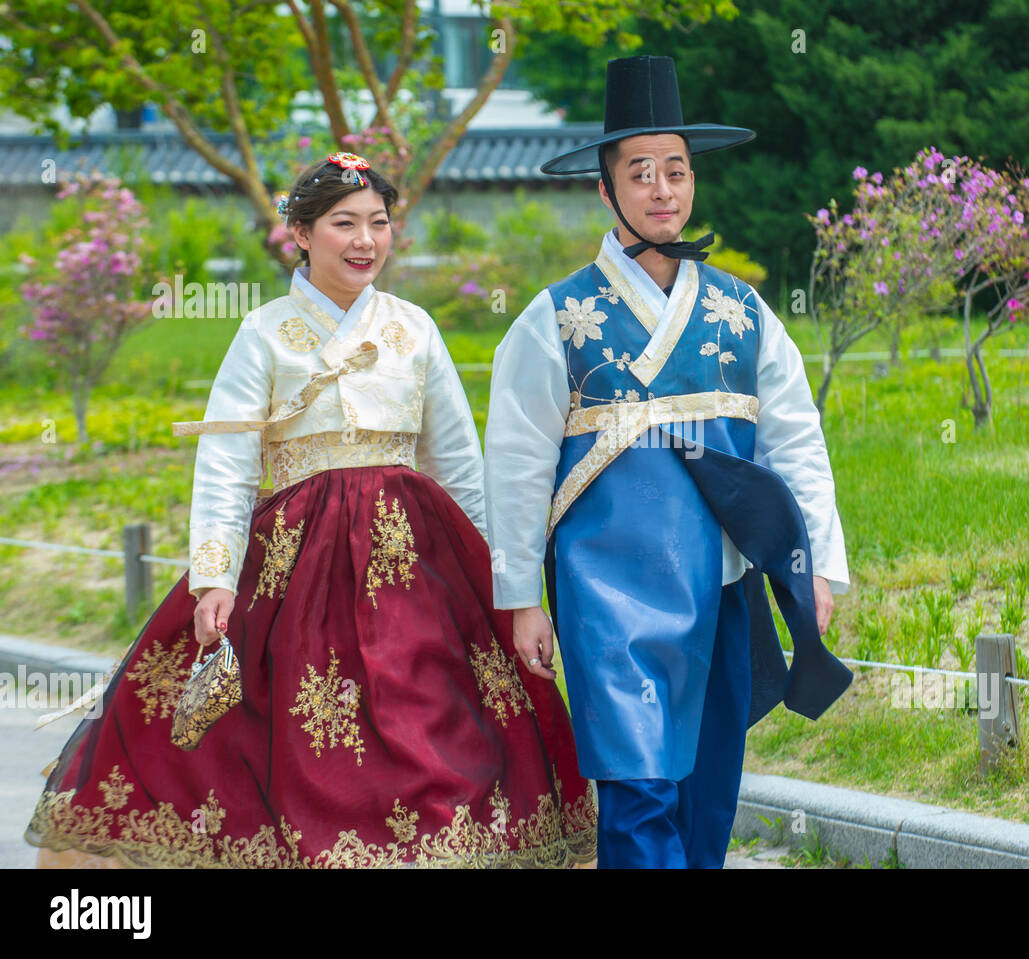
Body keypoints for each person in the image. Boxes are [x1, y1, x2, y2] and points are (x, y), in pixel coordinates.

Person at [26, 152, 596, 868]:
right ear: (300, 232)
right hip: (295, 573)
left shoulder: (414, 328)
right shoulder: (263, 333)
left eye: (379, 223)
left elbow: (457, 465)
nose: (365, 241)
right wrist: (214, 578)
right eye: (343, 224)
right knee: (302, 749)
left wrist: (501, 584)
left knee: (434, 735)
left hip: (414, 566)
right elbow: (227, 468)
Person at [484, 56, 852, 869]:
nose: (662, 190)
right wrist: (521, 598)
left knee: (707, 789)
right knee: (638, 786)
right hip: (606, 597)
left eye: (676, 171)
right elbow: (513, 465)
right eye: (640, 172)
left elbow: (796, 440)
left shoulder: (744, 314)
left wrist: (816, 565)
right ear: (605, 190)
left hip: (722, 587)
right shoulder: (556, 321)